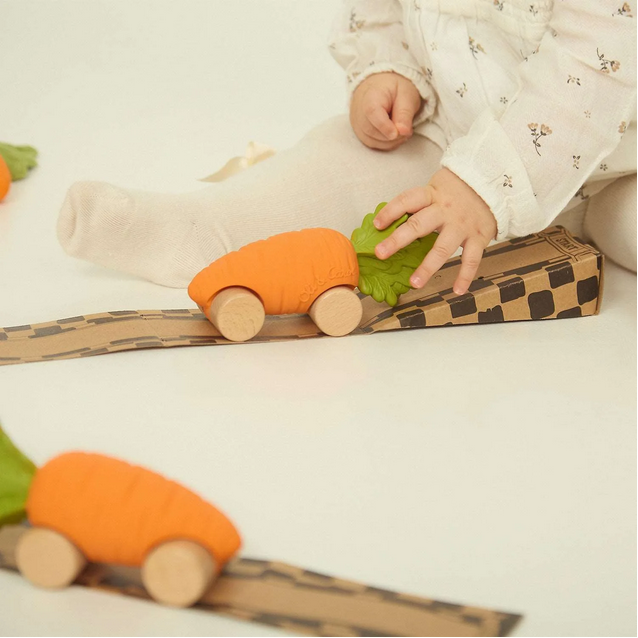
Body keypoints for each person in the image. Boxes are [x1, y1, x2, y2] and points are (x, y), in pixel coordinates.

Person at [57, 0, 637, 291]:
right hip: (454, 137)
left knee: (626, 223)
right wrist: (388, 73)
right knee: (338, 164)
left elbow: (596, 65)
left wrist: (489, 183)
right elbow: (385, 9)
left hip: (621, 161)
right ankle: (206, 230)